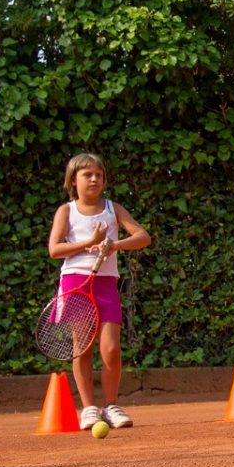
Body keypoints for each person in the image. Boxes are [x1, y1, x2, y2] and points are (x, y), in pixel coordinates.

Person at [47, 153, 151, 430]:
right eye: (87, 174)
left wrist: (114, 245)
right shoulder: (66, 211)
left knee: (112, 349)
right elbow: (55, 249)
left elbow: (143, 236)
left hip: (105, 284)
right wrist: (88, 242)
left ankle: (111, 405)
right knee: (83, 348)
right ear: (73, 180)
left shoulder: (113, 208)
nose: (94, 179)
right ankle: (89, 409)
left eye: (99, 175)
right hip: (76, 283)